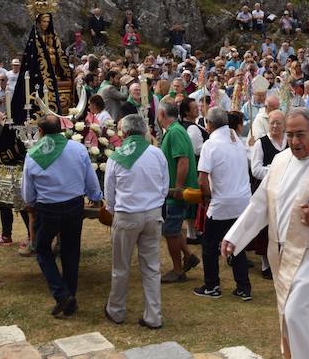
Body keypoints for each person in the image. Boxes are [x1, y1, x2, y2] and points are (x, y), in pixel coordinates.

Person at [222, 108, 309, 358]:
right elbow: (261, 204)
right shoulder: (281, 161)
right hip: (283, 254)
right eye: (290, 135)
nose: (295, 141)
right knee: (294, 319)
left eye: (301, 135)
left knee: (298, 314)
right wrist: (234, 236)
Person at [21, 115, 103, 317]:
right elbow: (90, 179)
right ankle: (69, 295)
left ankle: (62, 294)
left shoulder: (33, 154)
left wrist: (31, 204)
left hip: (47, 207)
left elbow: (28, 193)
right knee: (70, 250)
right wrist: (96, 197)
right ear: (61, 128)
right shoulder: (77, 149)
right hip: (74, 204)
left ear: (40, 132)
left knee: (42, 249)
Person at [103, 114, 168, 329]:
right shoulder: (156, 153)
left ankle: (116, 310)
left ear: (124, 132)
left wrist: (114, 211)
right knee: (151, 268)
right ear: (144, 131)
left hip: (126, 214)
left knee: (120, 267)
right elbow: (164, 186)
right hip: (152, 213)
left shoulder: (115, 156)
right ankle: (154, 315)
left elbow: (109, 194)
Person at [194, 108, 252, 300]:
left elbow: (202, 180)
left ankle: (212, 286)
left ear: (209, 124)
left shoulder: (211, 145)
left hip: (222, 202)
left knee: (209, 245)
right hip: (243, 201)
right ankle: (244, 287)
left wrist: (208, 197)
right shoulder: (236, 139)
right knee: (237, 244)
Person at [156, 100, 200, 283]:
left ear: (163, 115)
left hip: (177, 191)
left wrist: (178, 187)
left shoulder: (175, 132)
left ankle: (177, 270)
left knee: (171, 231)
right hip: (174, 189)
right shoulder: (175, 131)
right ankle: (189, 256)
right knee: (173, 228)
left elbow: (183, 161)